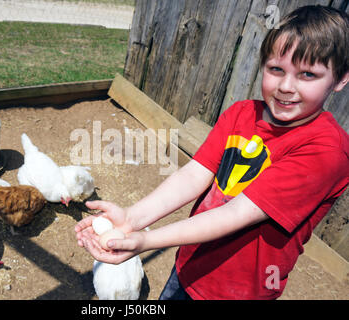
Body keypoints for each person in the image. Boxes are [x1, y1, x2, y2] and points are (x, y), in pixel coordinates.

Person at [74, 5, 349, 300]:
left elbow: (237, 212)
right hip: (191, 263)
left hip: (240, 291)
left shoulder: (326, 151)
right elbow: (194, 174)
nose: (286, 86)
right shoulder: (241, 114)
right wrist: (131, 218)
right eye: (276, 69)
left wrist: (145, 241)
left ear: (341, 78)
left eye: (307, 74)